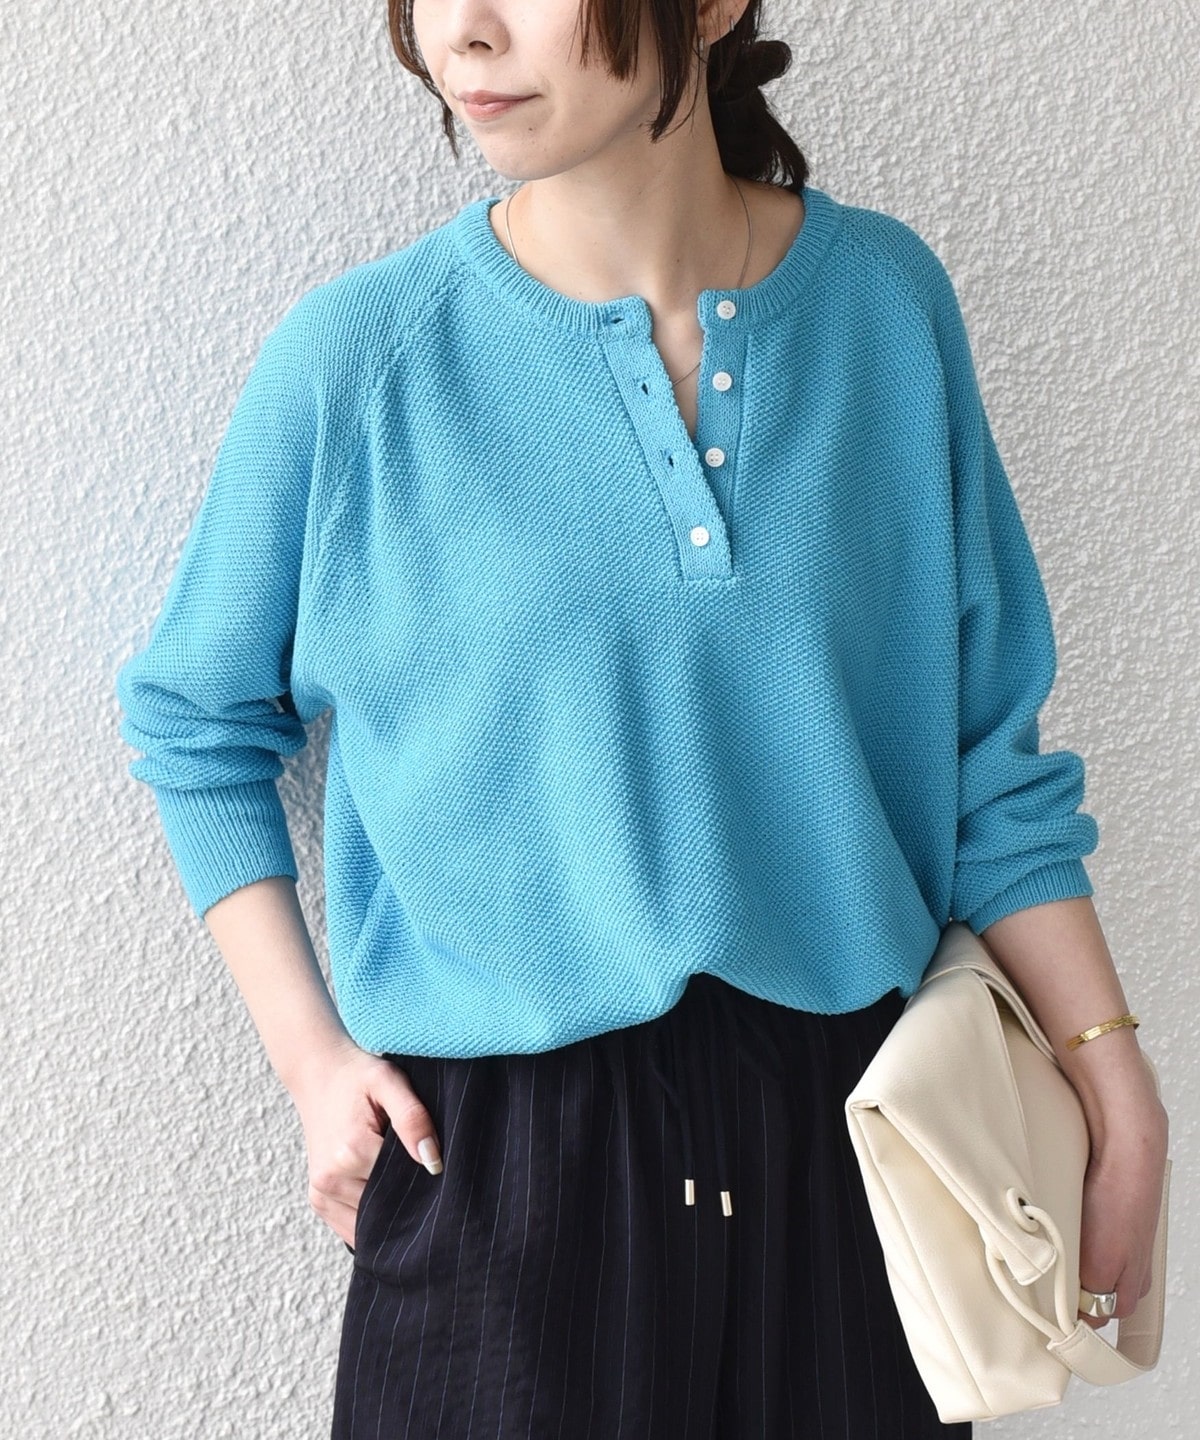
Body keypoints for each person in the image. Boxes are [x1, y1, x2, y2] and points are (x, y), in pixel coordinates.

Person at [114, 0, 1170, 1436]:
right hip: (500, 1173)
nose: (463, 34)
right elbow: (194, 718)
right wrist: (312, 1061)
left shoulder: (885, 308)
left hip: (857, 1155)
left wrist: (1113, 1072)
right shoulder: (361, 359)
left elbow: (984, 753)